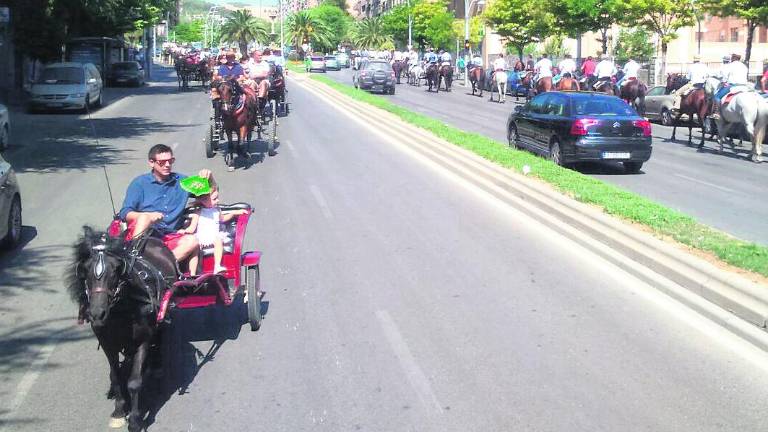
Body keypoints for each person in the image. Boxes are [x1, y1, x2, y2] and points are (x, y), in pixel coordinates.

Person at [119, 144, 218, 265]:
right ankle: (132, 259)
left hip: (169, 236)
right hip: (144, 234)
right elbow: (125, 212)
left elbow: (210, 197)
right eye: (162, 162)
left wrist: (210, 178)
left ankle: (161, 268)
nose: (167, 165)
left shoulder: (182, 182)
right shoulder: (139, 183)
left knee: (192, 241)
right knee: (144, 217)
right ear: (151, 162)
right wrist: (148, 216)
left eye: (170, 161)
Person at [181, 188, 247, 275]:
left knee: (218, 240)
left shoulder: (217, 210)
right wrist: (184, 231)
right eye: (215, 199)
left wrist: (234, 213)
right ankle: (192, 273)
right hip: (201, 236)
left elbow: (223, 218)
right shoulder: (198, 212)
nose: (218, 200)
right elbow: (192, 228)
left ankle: (217, 266)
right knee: (195, 249)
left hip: (213, 235)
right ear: (204, 200)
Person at [712, 53, 750, 119]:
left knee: (717, 96)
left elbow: (724, 75)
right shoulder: (744, 66)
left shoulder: (730, 66)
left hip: (733, 86)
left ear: (732, 58)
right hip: (744, 86)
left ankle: (717, 113)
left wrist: (724, 82)